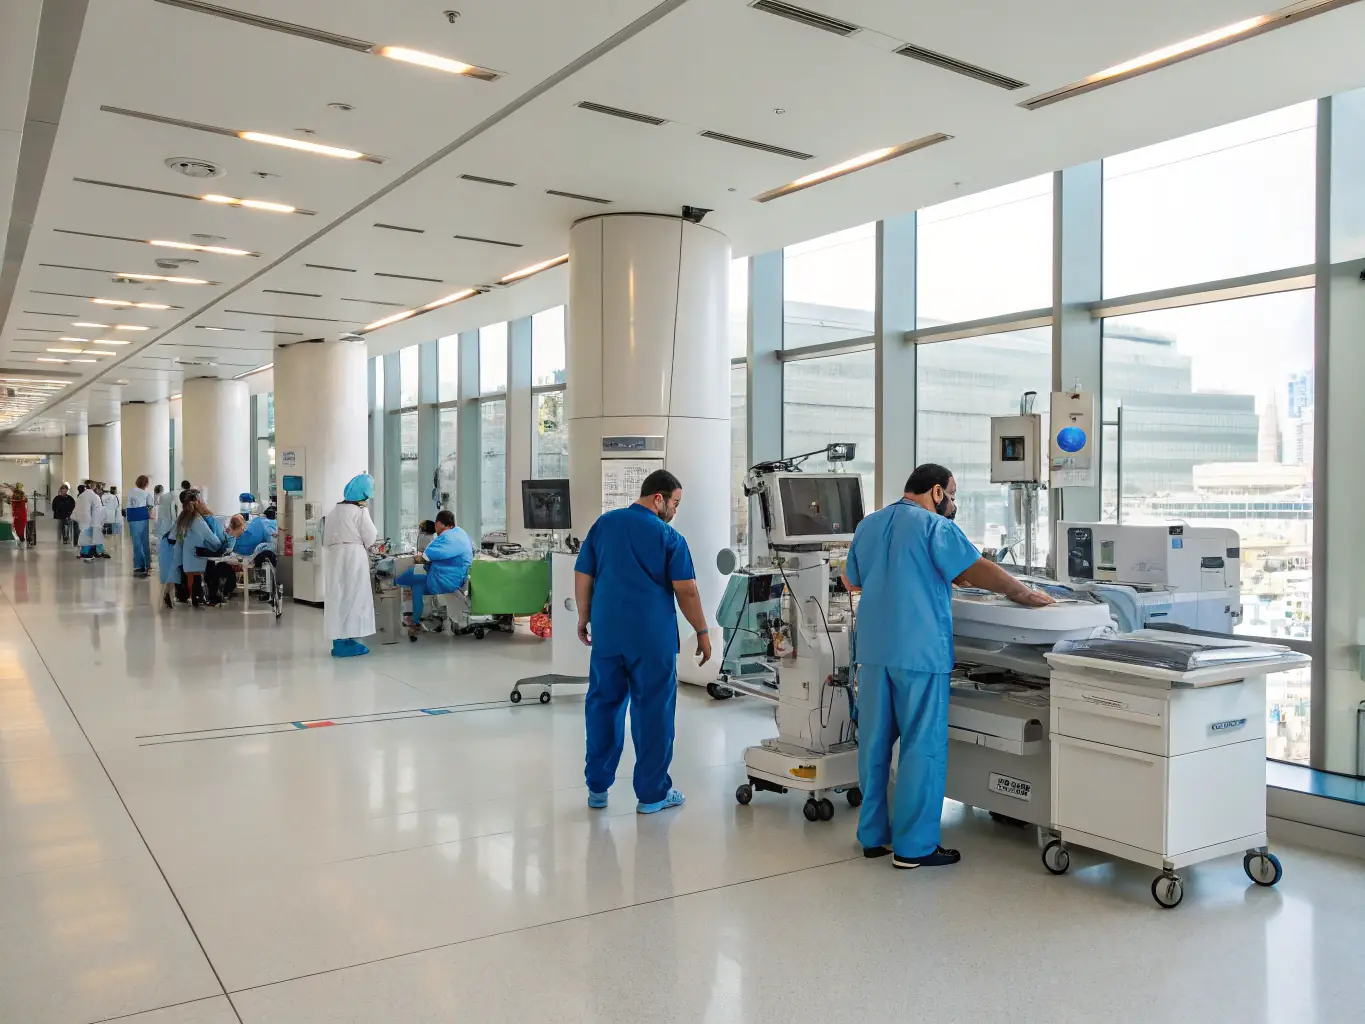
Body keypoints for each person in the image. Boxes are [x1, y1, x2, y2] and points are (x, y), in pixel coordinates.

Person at [843, 463, 1054, 870]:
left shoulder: (868, 525)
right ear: (937, 492)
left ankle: (872, 837)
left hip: (873, 651)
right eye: (953, 495)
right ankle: (915, 847)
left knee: (873, 743)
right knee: (922, 745)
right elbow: (972, 571)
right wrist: (1023, 592)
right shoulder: (935, 528)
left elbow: (853, 581)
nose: (954, 504)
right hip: (919, 652)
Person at [574, 469, 710, 815]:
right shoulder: (669, 537)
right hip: (652, 639)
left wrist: (583, 616)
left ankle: (597, 789)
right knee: (653, 713)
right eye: (675, 503)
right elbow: (686, 589)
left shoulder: (604, 525)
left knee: (603, 706)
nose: (675, 512)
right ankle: (652, 795)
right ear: (658, 498)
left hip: (608, 634)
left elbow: (584, 573)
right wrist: (702, 631)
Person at [323, 473, 378, 657]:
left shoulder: (333, 512)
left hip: (334, 557)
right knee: (355, 596)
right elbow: (370, 537)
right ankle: (351, 640)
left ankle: (338, 640)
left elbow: (325, 539)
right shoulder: (360, 511)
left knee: (337, 596)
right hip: (354, 556)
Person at [397, 510, 473, 635]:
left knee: (412, 576)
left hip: (443, 580)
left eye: (436, 526)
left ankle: (413, 616)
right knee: (416, 582)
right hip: (459, 578)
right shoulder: (461, 533)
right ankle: (416, 618)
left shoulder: (445, 538)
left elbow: (425, 557)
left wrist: (418, 557)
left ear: (439, 524)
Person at [176, 493, 228, 608]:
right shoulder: (197, 519)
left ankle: (192, 597)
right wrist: (219, 544)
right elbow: (208, 535)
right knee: (197, 575)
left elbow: (178, 536)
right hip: (196, 551)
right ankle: (196, 598)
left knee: (190, 575)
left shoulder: (183, 517)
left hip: (186, 551)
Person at [155, 484, 181, 609]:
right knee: (171, 570)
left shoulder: (163, 514)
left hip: (166, 541)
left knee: (170, 571)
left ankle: (170, 594)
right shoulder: (170, 519)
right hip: (168, 542)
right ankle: (169, 595)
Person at [125, 476, 153, 576]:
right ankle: (146, 565)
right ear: (146, 484)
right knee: (144, 542)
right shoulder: (146, 494)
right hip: (142, 517)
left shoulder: (130, 491)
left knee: (136, 542)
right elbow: (150, 506)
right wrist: (151, 515)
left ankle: (138, 565)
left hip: (132, 518)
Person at [74, 479, 107, 560]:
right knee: (91, 536)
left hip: (85, 520)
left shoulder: (82, 496)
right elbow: (98, 509)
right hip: (92, 519)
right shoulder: (94, 496)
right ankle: (90, 553)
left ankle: (87, 552)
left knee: (87, 536)